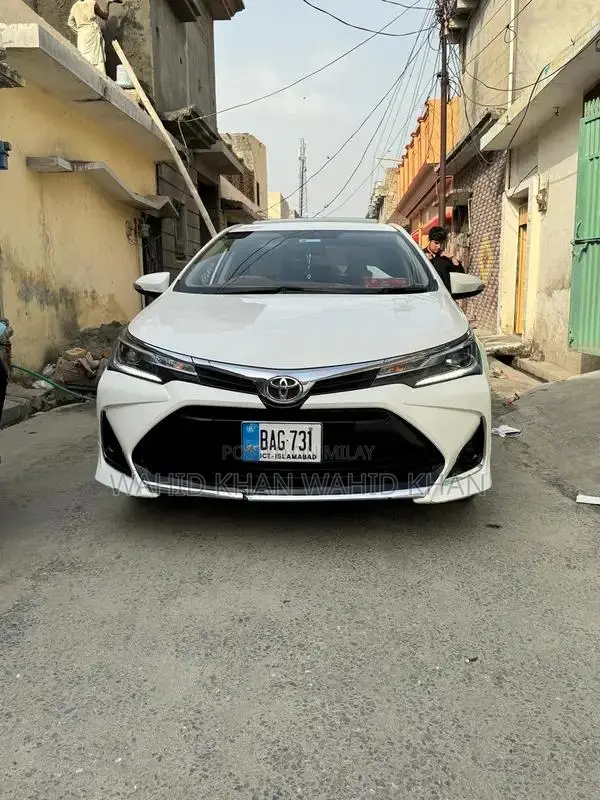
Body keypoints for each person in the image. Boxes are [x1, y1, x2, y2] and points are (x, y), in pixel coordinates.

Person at [68, 0, 121, 75]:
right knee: (96, 59)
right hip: (92, 33)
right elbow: (105, 16)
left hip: (82, 36)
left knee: (84, 58)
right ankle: (99, 81)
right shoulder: (92, 3)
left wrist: (79, 31)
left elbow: (70, 23)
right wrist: (107, 3)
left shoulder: (75, 6)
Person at [423, 225, 465, 293]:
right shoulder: (420, 256)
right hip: (426, 297)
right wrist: (423, 261)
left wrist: (453, 258)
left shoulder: (446, 257)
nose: (439, 246)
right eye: (436, 243)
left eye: (441, 243)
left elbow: (461, 276)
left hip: (445, 297)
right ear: (429, 240)